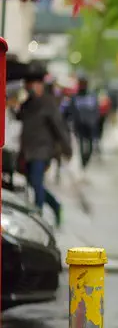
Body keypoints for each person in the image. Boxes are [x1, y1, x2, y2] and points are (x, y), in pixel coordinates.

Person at [15, 68, 73, 227]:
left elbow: (59, 127)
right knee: (34, 183)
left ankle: (38, 217)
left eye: (32, 84)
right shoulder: (27, 104)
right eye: (27, 84)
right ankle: (54, 205)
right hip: (27, 151)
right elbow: (18, 117)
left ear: (40, 84)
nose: (29, 87)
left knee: (36, 181)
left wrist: (67, 148)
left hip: (42, 150)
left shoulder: (48, 103)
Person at [62, 75, 101, 172]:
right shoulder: (75, 98)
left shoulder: (92, 96)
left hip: (91, 127)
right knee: (82, 147)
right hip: (79, 127)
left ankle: (85, 164)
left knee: (89, 147)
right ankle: (83, 164)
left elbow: (97, 111)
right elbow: (69, 111)